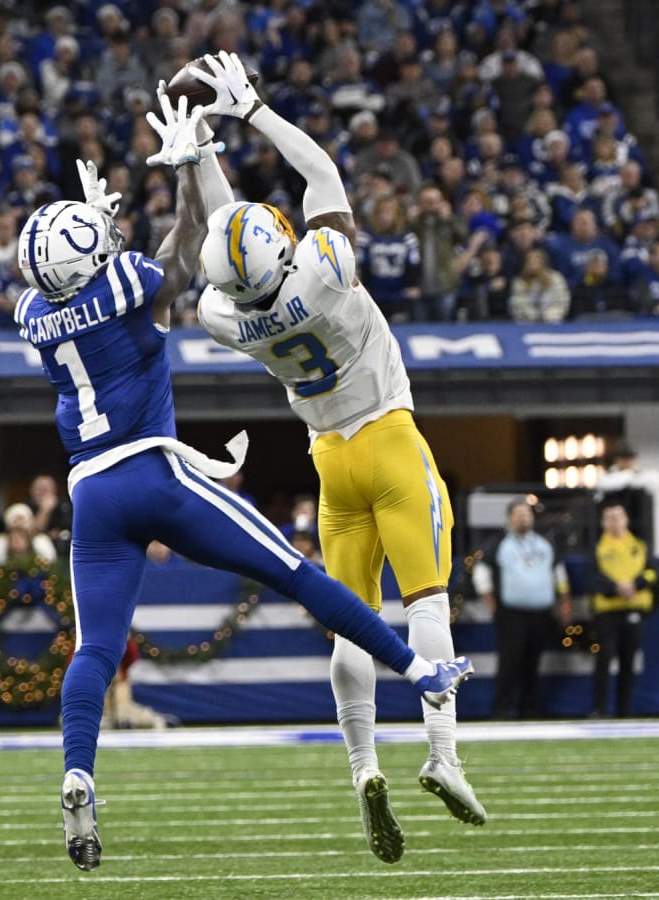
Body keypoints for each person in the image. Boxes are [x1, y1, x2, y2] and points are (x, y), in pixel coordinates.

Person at [14, 105, 472, 870]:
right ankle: (421, 672)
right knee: (295, 574)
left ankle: (78, 770)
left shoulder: (35, 315)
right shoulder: (150, 284)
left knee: (95, 647)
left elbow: (94, 287)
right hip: (159, 474)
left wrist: (96, 224)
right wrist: (187, 171)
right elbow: (189, 247)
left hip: (89, 492)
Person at [189, 51, 486, 864]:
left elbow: (217, 241)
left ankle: (362, 769)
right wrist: (249, 111)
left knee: (351, 630)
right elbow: (318, 168)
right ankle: (444, 756)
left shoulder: (229, 318)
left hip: (328, 464)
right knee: (427, 599)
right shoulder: (322, 272)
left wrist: (198, 159)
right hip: (387, 439)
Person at [471, 499, 571, 719]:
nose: (523, 518)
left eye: (527, 513)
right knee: (509, 662)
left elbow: (559, 574)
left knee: (533, 662)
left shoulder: (544, 544)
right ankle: (501, 709)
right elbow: (481, 575)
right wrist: (493, 605)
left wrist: (564, 602)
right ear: (509, 518)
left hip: (540, 613)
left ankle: (528, 708)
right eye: (518, 514)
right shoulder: (498, 544)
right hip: (510, 613)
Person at [588, 502, 656, 718]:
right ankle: (600, 708)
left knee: (628, 661)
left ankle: (624, 709)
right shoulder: (599, 547)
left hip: (634, 609)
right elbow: (593, 576)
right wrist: (617, 588)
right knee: (604, 659)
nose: (615, 522)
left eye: (618, 517)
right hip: (608, 611)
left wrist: (636, 584)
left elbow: (654, 573)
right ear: (603, 522)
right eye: (610, 518)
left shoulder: (639, 545)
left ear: (626, 519)